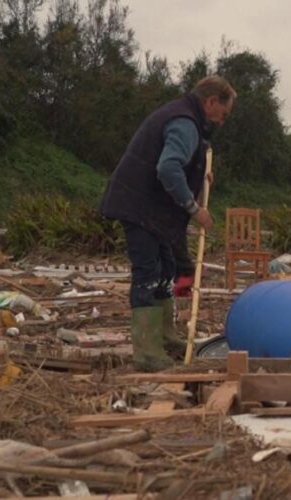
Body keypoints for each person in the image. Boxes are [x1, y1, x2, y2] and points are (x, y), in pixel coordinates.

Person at [101, 76, 236, 372]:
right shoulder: (185, 122)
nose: (222, 121)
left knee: (166, 269)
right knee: (148, 274)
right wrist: (194, 208)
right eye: (223, 113)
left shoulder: (185, 118)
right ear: (211, 101)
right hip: (141, 207)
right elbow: (168, 167)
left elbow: (178, 164)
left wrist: (198, 174)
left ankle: (163, 337)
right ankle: (147, 353)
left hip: (153, 210)